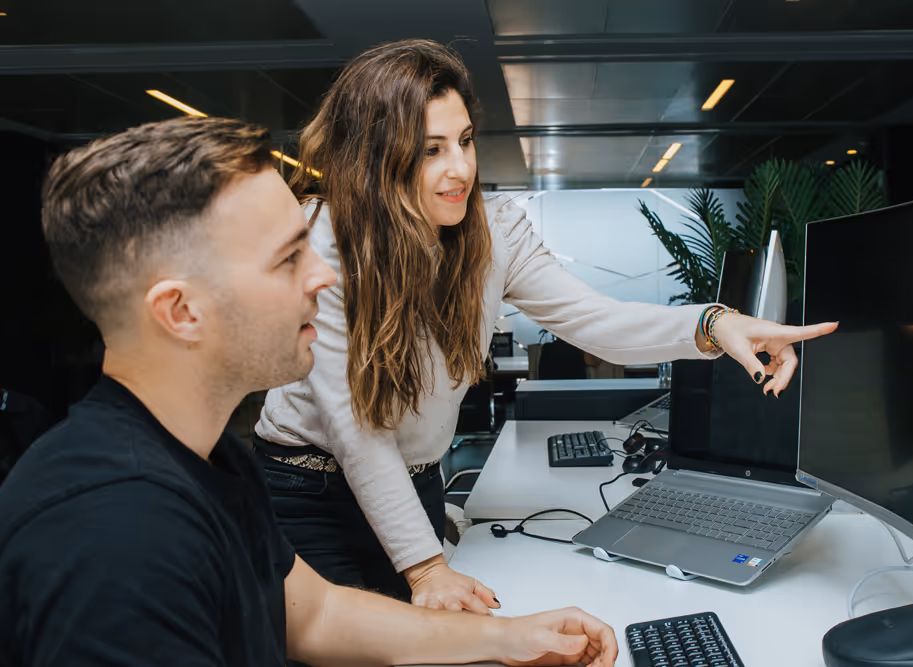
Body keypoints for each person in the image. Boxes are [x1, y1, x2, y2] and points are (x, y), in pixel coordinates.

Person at [0, 116, 618, 667]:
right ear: (181, 311)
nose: (324, 275)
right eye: (288, 258)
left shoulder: (210, 457)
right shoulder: (115, 533)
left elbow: (315, 614)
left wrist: (507, 639)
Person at [255, 38, 839, 614]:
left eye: (463, 141)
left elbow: (596, 321)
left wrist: (718, 324)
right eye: (430, 150)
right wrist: (426, 566)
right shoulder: (326, 241)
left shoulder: (492, 231)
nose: (460, 168)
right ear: (376, 156)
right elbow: (359, 430)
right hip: (313, 495)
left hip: (415, 485)